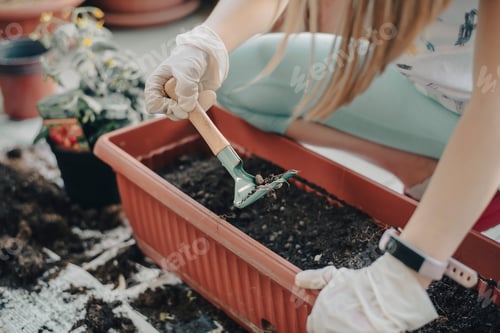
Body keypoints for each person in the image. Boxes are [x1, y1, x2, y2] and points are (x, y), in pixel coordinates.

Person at [144, 0, 500, 332]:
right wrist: (206, 43)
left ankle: (473, 190)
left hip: (487, 114)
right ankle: (421, 170)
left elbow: (492, 113)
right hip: (422, 88)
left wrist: (403, 276)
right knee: (238, 73)